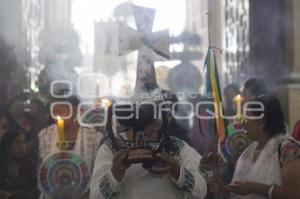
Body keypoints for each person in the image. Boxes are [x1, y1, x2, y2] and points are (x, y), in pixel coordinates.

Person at [203, 95, 300, 199]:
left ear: (262, 122)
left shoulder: (288, 149)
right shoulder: (249, 150)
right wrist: (224, 190)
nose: (243, 123)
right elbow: (241, 192)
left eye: (246, 118)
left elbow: (296, 193)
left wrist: (255, 188)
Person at [90, 115, 207, 199]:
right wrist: (114, 175)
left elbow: (201, 191)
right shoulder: (112, 148)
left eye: (150, 133)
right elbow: (95, 196)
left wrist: (177, 171)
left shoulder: (174, 146)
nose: (142, 142)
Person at [38, 96, 104, 198]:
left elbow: (99, 173)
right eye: (55, 112)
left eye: (61, 111)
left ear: (74, 111)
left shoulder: (93, 137)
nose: (57, 116)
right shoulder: (46, 135)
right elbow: (42, 168)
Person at [0, 129, 40, 199]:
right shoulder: (2, 166)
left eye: (23, 142)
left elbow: (37, 190)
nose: (23, 147)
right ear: (7, 147)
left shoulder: (30, 165)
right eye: (18, 143)